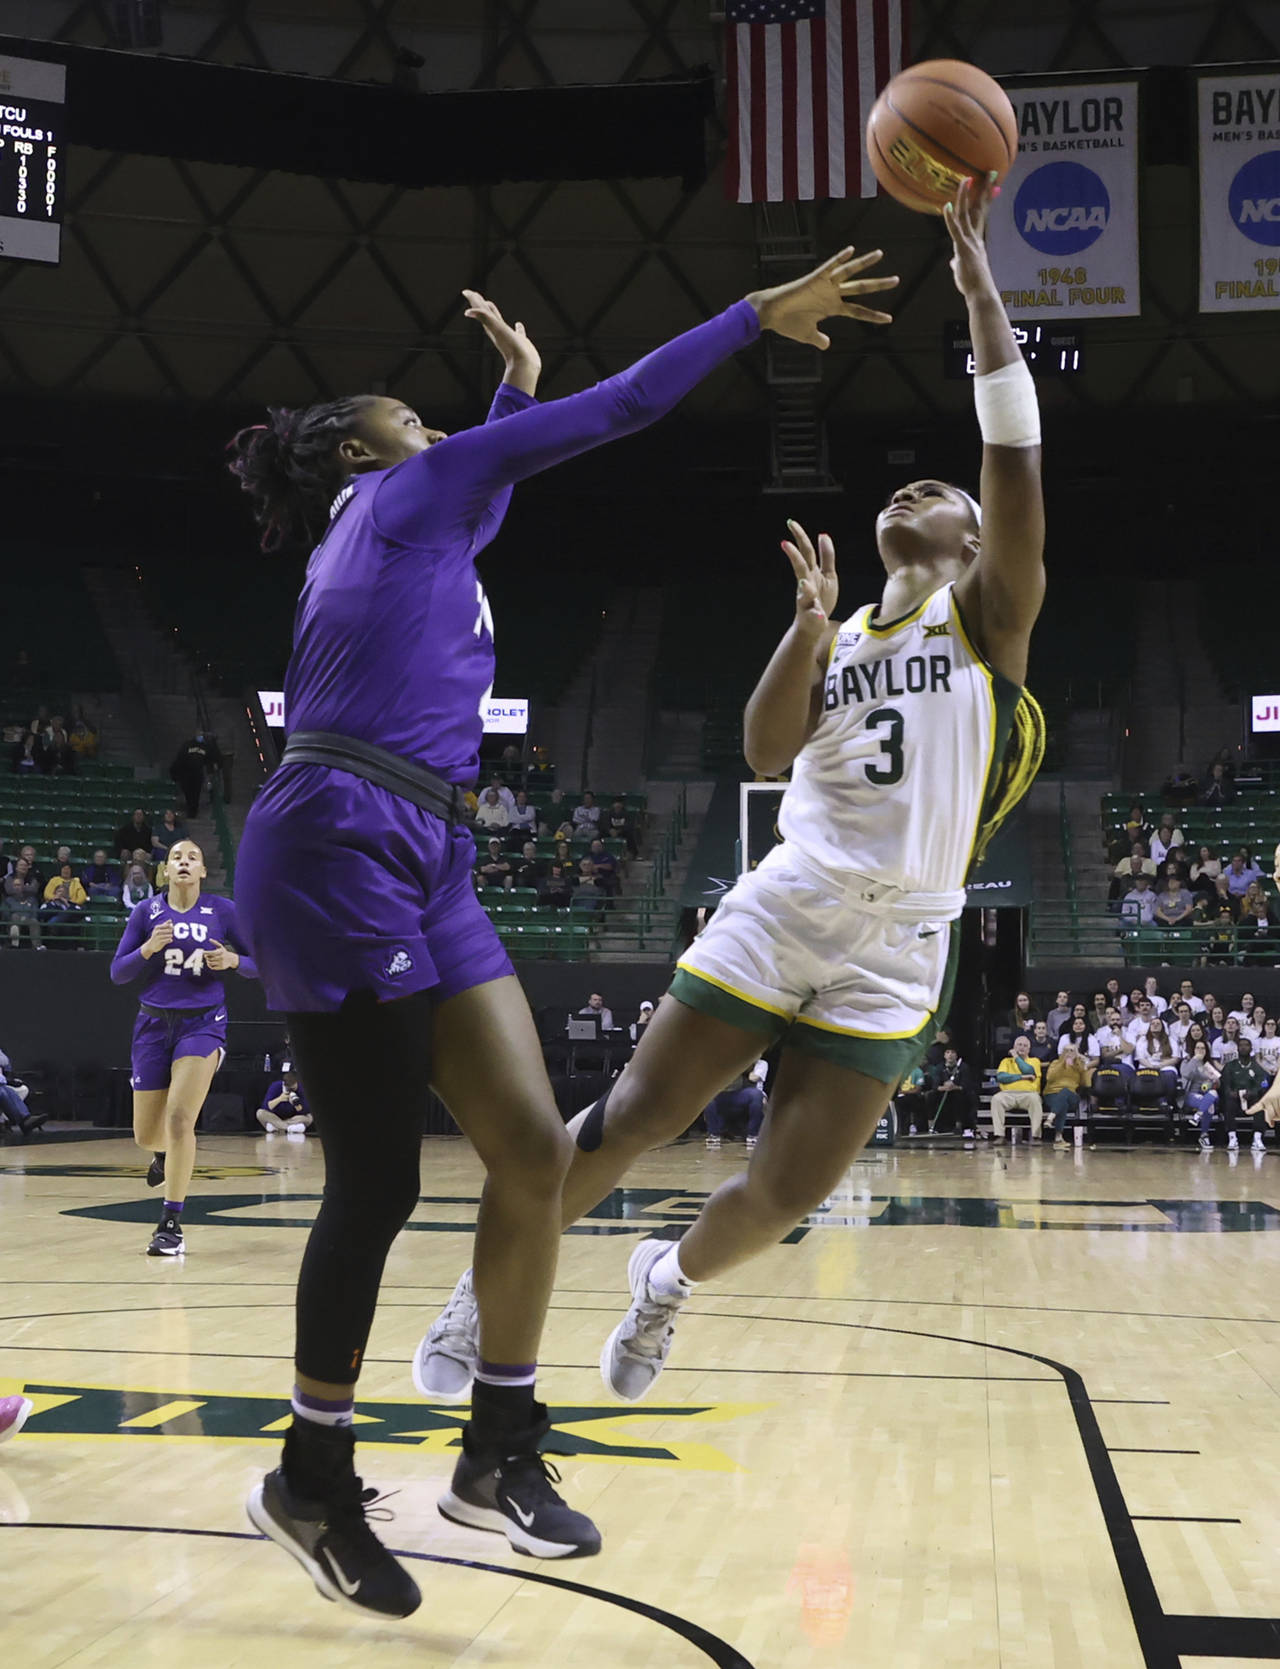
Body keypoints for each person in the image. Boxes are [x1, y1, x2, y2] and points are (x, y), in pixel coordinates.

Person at [226, 251, 891, 1607]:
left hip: (428, 842)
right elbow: (620, 409)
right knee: (376, 1183)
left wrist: (505, 394)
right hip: (337, 835)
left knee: (534, 1153)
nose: (436, 431)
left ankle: (495, 1452)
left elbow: (489, 481)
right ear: (361, 449)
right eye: (415, 417)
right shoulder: (402, 496)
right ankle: (309, 1478)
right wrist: (751, 316)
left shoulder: (413, 520)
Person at [413, 174, 1046, 1419]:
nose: (908, 492)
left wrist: (980, 299)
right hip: (792, 896)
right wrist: (803, 634)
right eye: (899, 490)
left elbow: (1013, 458)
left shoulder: (987, 620)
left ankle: (663, 1282)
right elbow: (763, 755)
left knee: (788, 1191)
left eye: (936, 493)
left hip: (905, 939)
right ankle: (482, 1297)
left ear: (975, 545)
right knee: (638, 1111)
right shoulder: (840, 631)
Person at [109, 840, 258, 1255]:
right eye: (176, 857)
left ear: (203, 871)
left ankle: (170, 1224)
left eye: (193, 858)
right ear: (166, 871)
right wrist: (148, 948)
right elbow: (118, 972)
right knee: (146, 1135)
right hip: (153, 1024)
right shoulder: (146, 913)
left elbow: (263, 963)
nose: (185, 862)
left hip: (202, 1024)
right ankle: (161, 1154)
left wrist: (234, 962)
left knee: (179, 1120)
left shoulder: (222, 911)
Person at [990, 1034, 1045, 1141]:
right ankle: (999, 1135)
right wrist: (1023, 1077)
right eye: (1019, 1045)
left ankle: (1036, 1136)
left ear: (1029, 1049)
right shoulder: (1006, 1061)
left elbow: (1028, 1070)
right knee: (996, 1099)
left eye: (1025, 1045)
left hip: (1028, 1095)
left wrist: (1016, 1057)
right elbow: (1001, 1077)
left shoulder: (1034, 1061)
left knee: (1035, 1100)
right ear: (1014, 1047)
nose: (1022, 1047)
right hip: (1008, 1094)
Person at [1220, 1036, 1270, 1153]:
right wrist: (1230, 1092)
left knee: (1260, 1104)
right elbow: (1225, 1083)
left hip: (1251, 1098)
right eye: (1241, 1045)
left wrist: (1253, 1092)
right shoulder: (1230, 1065)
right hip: (1235, 1098)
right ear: (1237, 1049)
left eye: (1246, 1045)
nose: (1243, 1047)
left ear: (1251, 1049)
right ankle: (1232, 1138)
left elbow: (1262, 1084)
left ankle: (1257, 1138)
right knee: (1229, 1103)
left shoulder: (1256, 1066)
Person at [703, 1061, 767, 1150]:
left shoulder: (745, 1061)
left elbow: (751, 1077)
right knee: (708, 1098)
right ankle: (713, 1135)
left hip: (738, 1094)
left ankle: (753, 1135)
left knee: (756, 1095)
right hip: (721, 1094)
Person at [1043, 1043, 1091, 1147]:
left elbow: (1086, 1084)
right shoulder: (1055, 1063)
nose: (1069, 1053)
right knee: (1063, 1104)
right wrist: (1062, 1063)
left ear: (1076, 1053)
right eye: (1066, 1051)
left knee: (1065, 1091)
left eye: (1072, 1051)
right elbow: (1049, 1078)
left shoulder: (1078, 1066)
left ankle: (1051, 1117)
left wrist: (1083, 1067)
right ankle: (1058, 1137)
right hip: (1052, 1094)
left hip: (1072, 1096)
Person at [926, 1046, 977, 1135]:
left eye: (953, 1052)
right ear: (944, 1055)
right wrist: (945, 1087)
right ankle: (931, 1126)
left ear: (956, 1055)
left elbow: (965, 1086)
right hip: (942, 1092)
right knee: (930, 1096)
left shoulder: (963, 1067)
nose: (950, 1055)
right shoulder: (939, 1067)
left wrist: (954, 1087)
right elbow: (935, 1086)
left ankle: (958, 1126)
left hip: (958, 1092)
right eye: (948, 1052)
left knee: (960, 1097)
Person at [1180, 1041, 1221, 1151]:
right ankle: (1204, 1136)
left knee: (1213, 1094)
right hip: (1191, 1094)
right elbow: (1185, 1074)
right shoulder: (1187, 1062)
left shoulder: (1208, 1065)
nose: (1200, 1050)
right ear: (1193, 1050)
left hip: (1206, 1094)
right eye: (1197, 1048)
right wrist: (1195, 1059)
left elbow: (1218, 1083)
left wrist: (1215, 1081)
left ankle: (1198, 1116)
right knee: (1210, 1105)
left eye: (1203, 1048)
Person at [171, 733, 222, 819]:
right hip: (187, 773)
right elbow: (180, 759)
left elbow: (211, 757)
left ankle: (192, 811)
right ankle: (191, 810)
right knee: (190, 793)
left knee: (195, 793)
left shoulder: (204, 747)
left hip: (196, 774)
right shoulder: (188, 745)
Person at [3, 856, 42, 950]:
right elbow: (6, 913)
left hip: (28, 918)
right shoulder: (8, 899)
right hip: (13, 919)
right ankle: (14, 942)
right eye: (15, 885)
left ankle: (37, 946)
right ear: (16, 867)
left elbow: (35, 912)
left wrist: (25, 917)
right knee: (14, 916)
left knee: (34, 921)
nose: (17, 887)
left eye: (19, 885)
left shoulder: (32, 898)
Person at [258, 1070, 313, 1135]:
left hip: (293, 1118)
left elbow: (307, 1110)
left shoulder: (302, 1088)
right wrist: (280, 1099)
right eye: (289, 1088)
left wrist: (296, 1105)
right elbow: (266, 1106)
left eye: (293, 1088)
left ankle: (276, 1127)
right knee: (260, 1113)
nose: (291, 1090)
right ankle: (290, 1128)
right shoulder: (275, 1086)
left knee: (310, 1117)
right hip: (276, 1117)